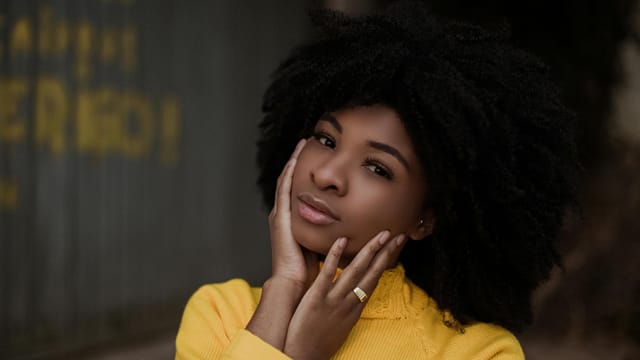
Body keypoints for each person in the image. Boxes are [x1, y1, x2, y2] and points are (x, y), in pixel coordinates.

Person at [175, 1, 579, 359]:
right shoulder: (218, 312)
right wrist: (285, 294)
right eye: (325, 139)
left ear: (426, 217)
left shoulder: (477, 352)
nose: (327, 174)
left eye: (378, 168)